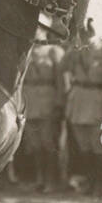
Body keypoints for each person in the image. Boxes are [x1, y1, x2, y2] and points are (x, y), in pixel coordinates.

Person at [63, 30, 102, 196]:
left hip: (99, 99)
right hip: (79, 99)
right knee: (83, 145)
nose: (88, 33)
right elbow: (64, 67)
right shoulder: (76, 50)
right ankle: (90, 183)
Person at [20, 37, 66, 192]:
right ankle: (40, 179)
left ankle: (52, 181)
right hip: (30, 100)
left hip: (48, 101)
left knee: (48, 143)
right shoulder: (26, 50)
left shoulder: (54, 51)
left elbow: (61, 81)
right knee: (35, 144)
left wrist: (59, 103)